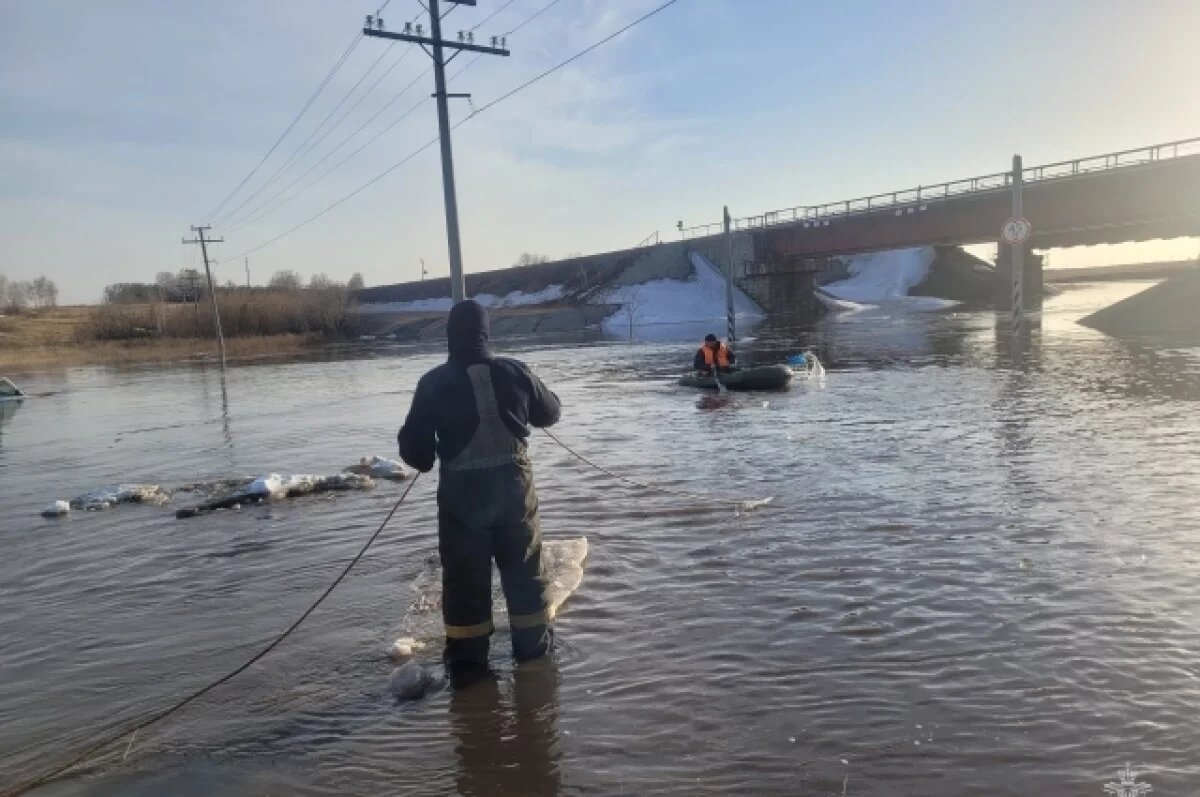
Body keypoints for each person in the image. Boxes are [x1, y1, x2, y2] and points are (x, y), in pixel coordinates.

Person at [398, 300, 561, 675]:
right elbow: (550, 413)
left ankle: (469, 678)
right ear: (487, 333)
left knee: (465, 584)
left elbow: (417, 456)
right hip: (515, 496)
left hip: (462, 505)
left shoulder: (433, 383)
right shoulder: (516, 372)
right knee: (526, 576)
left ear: (450, 335)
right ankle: (535, 663)